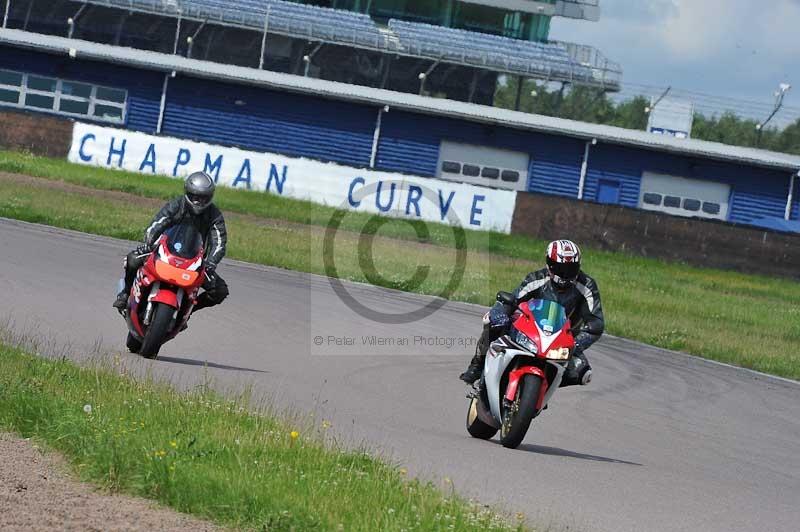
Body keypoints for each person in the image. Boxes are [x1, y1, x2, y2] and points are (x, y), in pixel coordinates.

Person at [460, 239, 604, 387]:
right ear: (550, 265)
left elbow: (596, 322)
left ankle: (541, 389)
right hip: (529, 331)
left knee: (583, 373)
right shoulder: (536, 278)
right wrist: (500, 313)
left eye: (571, 269)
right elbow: (512, 299)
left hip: (563, 340)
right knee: (491, 322)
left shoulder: (587, 286)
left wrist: (575, 344)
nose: (565, 274)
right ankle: (477, 366)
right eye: (561, 269)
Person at [113, 171, 229, 314]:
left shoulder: (214, 215)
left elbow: (219, 242)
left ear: (210, 197)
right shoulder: (177, 204)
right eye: (195, 197)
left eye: (204, 198)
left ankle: (189, 310)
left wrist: (211, 262)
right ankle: (125, 293)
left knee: (220, 291)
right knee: (132, 259)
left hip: (194, 263)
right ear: (188, 193)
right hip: (164, 251)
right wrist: (149, 242)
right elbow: (158, 222)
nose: (199, 202)